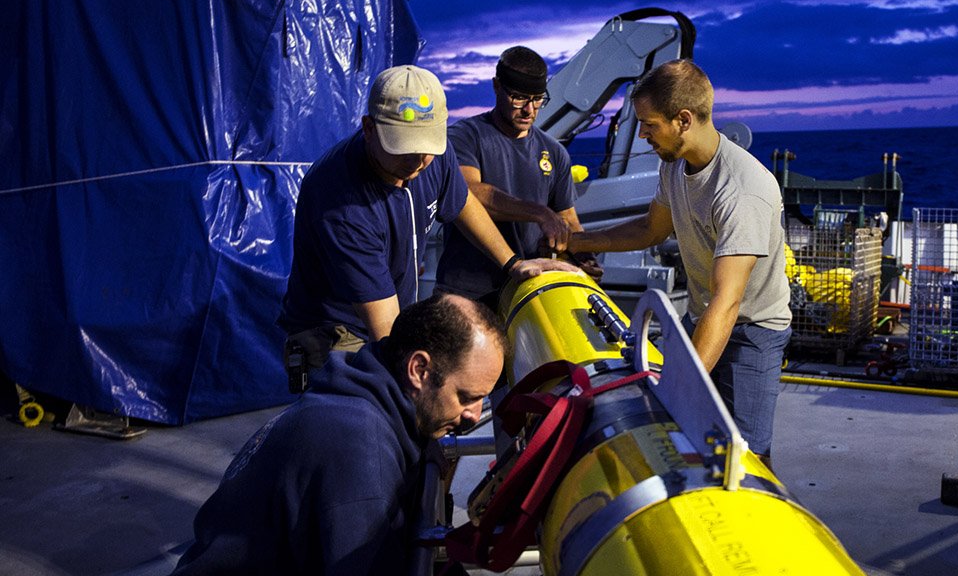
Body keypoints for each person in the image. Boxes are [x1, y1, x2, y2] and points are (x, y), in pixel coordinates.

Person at [150, 294, 507, 576]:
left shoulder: (377, 397)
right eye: (466, 397)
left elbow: (422, 537)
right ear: (419, 369)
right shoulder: (358, 449)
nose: (473, 416)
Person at [278, 64, 575, 385]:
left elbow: (463, 203)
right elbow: (385, 328)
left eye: (427, 148)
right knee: (379, 414)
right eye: (404, 149)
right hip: (337, 331)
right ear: (369, 128)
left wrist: (512, 263)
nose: (419, 161)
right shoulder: (343, 203)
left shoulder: (434, 152)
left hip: (391, 308)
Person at [567, 59, 791, 465]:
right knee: (683, 429)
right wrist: (578, 240)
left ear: (683, 119)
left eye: (650, 125)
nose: (644, 135)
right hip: (704, 315)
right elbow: (650, 230)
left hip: (751, 330)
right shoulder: (675, 166)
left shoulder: (742, 191)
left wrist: (681, 385)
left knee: (743, 457)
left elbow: (729, 301)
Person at [436, 46, 600, 307]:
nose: (530, 110)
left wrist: (583, 255)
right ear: (496, 86)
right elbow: (469, 193)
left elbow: (568, 218)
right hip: (467, 293)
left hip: (526, 293)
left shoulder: (555, 152)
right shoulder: (464, 137)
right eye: (519, 98)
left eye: (537, 99)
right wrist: (539, 212)